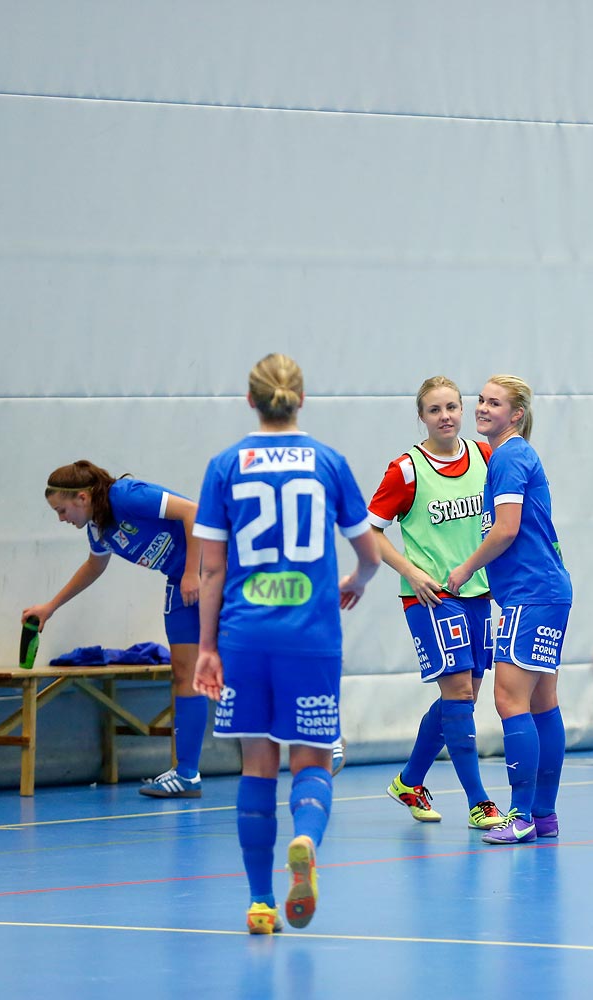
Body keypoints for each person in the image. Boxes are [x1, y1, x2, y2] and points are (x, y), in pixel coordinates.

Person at [192, 353, 380, 934]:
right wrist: (356, 583)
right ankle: (305, 837)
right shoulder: (329, 462)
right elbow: (369, 553)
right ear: (301, 398)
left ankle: (259, 902)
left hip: (246, 636)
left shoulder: (225, 466)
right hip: (310, 634)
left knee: (256, 765)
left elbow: (211, 569)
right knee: (313, 759)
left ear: (251, 400)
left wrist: (206, 647)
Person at [367, 376, 507, 831]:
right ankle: (480, 802)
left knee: (462, 699)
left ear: (463, 411)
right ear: (422, 417)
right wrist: (410, 571)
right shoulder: (406, 470)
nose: (445, 416)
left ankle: (410, 782)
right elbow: (370, 532)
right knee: (460, 695)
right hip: (431, 597)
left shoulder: (485, 457)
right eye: (434, 409)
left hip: (478, 592)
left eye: (452, 407)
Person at [22, 461, 208, 798]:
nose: (61, 518)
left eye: (62, 510)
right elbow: (95, 566)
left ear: (82, 497)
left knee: (249, 661)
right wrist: (50, 606)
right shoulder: (98, 528)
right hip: (179, 582)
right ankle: (187, 774)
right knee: (185, 672)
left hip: (214, 567)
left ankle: (321, 741)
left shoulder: (126, 496)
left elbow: (194, 513)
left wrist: (193, 573)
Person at [445, 375, 572, 846]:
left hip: (530, 594)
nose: (481, 408)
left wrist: (463, 571)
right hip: (548, 592)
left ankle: (519, 814)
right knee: (542, 702)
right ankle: (544, 816)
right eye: (480, 399)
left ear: (516, 414)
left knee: (509, 701)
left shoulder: (509, 456)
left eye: (493, 403)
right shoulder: (514, 456)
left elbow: (505, 530)